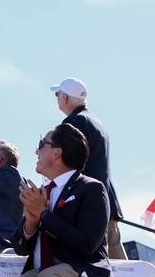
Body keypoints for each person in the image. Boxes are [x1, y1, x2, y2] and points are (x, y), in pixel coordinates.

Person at [5, 123, 116, 277]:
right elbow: (20, 248)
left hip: (83, 276)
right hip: (44, 275)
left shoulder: (91, 189)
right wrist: (30, 225)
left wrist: (45, 216)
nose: (36, 151)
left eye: (42, 144)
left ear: (57, 153)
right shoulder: (42, 193)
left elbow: (87, 245)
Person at [51, 77, 125, 259]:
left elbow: (68, 165)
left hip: (87, 202)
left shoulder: (73, 123)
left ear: (66, 98)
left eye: (58, 94)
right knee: (120, 266)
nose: (57, 97)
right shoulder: (95, 121)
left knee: (96, 262)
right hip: (106, 199)